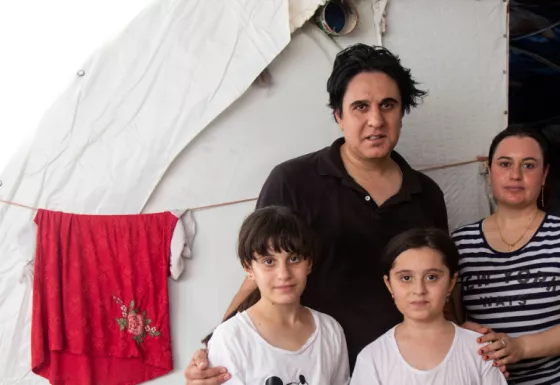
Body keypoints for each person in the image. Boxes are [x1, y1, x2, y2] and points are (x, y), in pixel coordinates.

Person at [185, 44, 449, 384]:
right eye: (360, 107)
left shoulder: (426, 194)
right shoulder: (292, 182)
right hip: (315, 369)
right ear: (338, 115)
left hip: (407, 373)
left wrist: (462, 340)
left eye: (388, 105)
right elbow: (259, 272)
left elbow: (443, 281)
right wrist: (214, 351)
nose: (375, 120)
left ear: (402, 112)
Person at [452, 125, 560, 384]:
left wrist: (521, 347)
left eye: (528, 165)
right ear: (489, 171)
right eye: (504, 163)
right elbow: (450, 318)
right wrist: (460, 332)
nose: (515, 175)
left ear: (544, 174)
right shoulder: (460, 243)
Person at [202, 206, 350, 384]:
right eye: (269, 261)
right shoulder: (229, 339)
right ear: (249, 268)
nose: (284, 274)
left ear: (309, 263)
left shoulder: (330, 330)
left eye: (294, 259)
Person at [351, 228, 507, 384]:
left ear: (451, 282)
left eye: (431, 277)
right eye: (406, 278)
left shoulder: (480, 350)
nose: (419, 290)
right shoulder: (372, 358)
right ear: (389, 284)